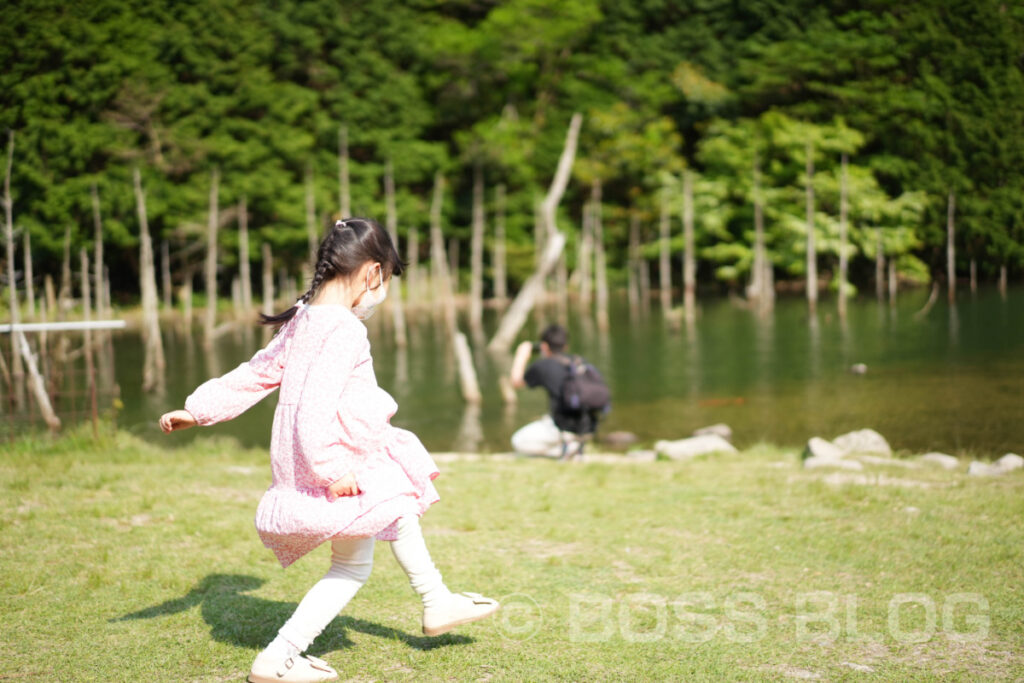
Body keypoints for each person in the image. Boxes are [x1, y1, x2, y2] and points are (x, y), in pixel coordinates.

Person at [159, 218, 498, 683]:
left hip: (341, 455)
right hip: (339, 459)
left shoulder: (305, 318)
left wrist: (198, 409)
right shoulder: (342, 328)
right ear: (371, 273)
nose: (382, 292)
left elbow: (256, 372)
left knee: (390, 518)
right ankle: (280, 658)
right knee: (364, 548)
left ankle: (435, 600)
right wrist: (330, 468)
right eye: (386, 281)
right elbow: (314, 404)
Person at [508, 324, 608, 459]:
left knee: (518, 441)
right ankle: (574, 446)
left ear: (544, 346)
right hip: (589, 426)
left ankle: (564, 450)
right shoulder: (579, 361)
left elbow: (516, 382)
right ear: (565, 346)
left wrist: (521, 354)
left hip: (562, 427)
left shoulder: (543, 365)